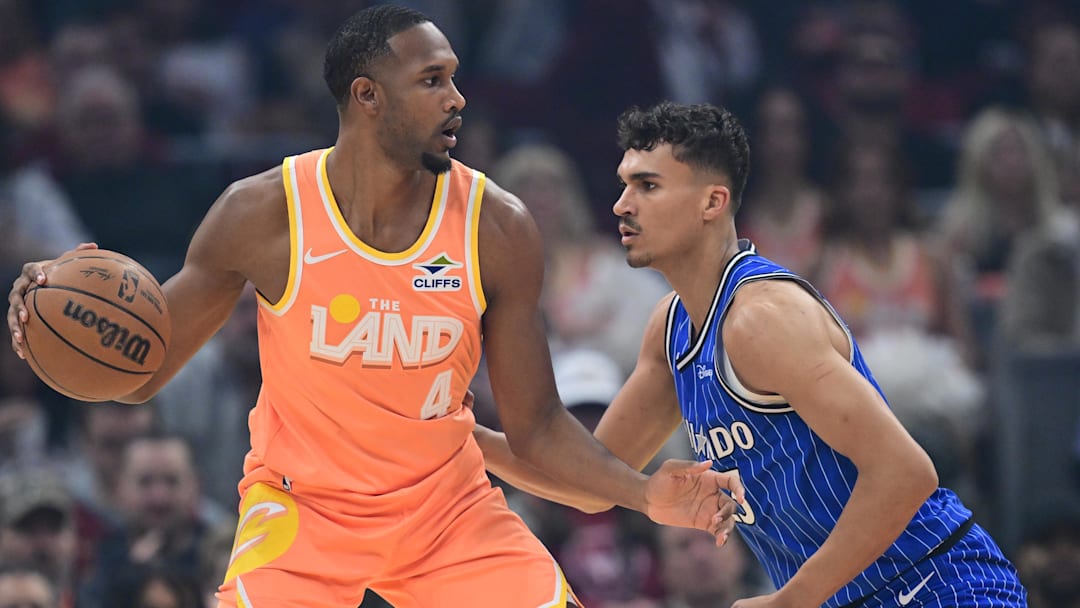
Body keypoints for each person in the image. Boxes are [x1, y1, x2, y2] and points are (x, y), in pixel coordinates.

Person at [6, 6, 739, 607]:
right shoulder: (263, 215)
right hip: (302, 511)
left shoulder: (497, 226)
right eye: (432, 80)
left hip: (448, 512)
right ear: (367, 96)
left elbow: (540, 427)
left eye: (454, 78)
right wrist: (48, 314)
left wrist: (645, 494)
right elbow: (140, 372)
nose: (456, 99)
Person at [474, 102, 1027, 607]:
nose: (622, 204)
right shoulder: (670, 329)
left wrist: (790, 600)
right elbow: (591, 482)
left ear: (712, 202)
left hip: (936, 584)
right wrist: (461, 435)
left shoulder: (761, 320)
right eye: (623, 185)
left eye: (647, 186)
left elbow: (905, 472)